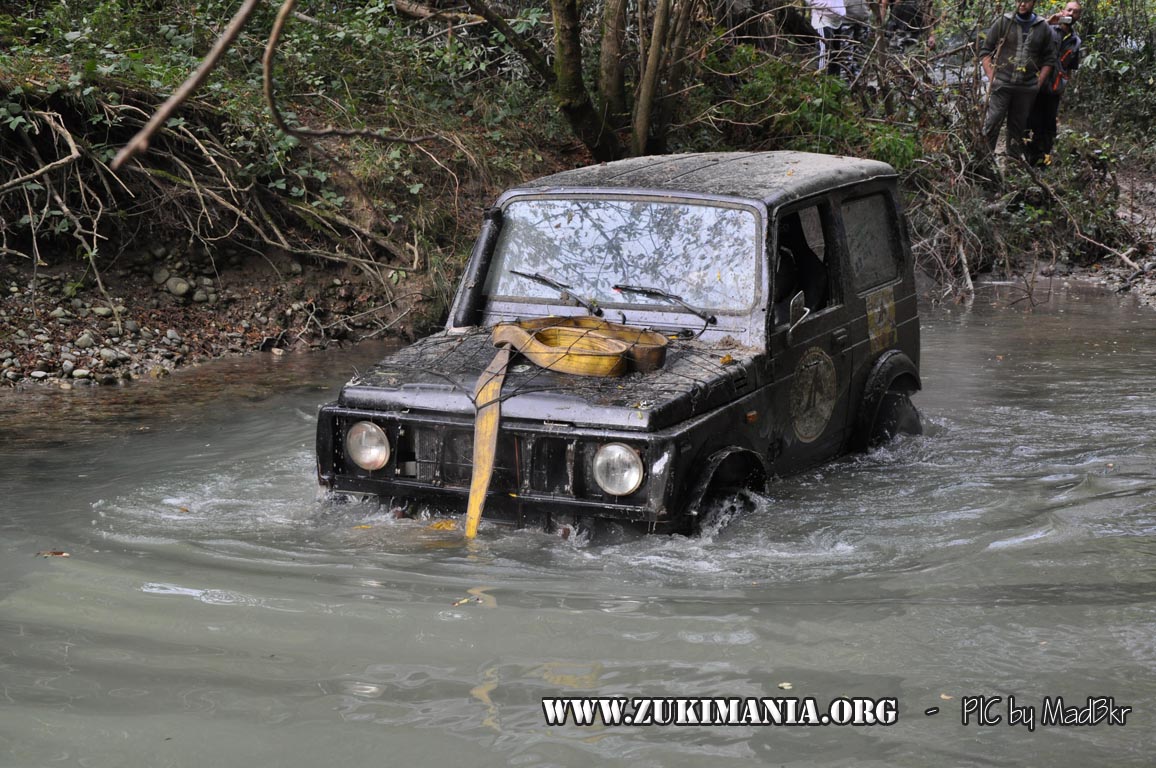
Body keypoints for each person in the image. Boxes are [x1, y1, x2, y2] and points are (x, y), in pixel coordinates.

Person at [979, 0, 1057, 162]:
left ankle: (1012, 163)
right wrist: (992, 77)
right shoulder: (1003, 22)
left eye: (1027, 1)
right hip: (1002, 83)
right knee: (993, 122)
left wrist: (1038, 83)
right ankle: (984, 161)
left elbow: (1049, 59)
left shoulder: (1043, 27)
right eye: (1018, 0)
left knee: (1017, 127)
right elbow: (986, 51)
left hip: (1026, 87)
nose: (1022, 4)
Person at [1025, 1, 1083, 165]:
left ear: (1079, 16)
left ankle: (1043, 161)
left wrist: (1063, 88)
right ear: (1063, 11)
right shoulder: (1048, 28)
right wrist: (1050, 20)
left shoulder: (1075, 41)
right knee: (1029, 121)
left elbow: (1070, 67)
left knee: (1048, 126)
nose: (1071, 14)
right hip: (1035, 85)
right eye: (1069, 10)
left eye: (1076, 12)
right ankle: (1023, 159)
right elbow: (1027, 37)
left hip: (1054, 89)